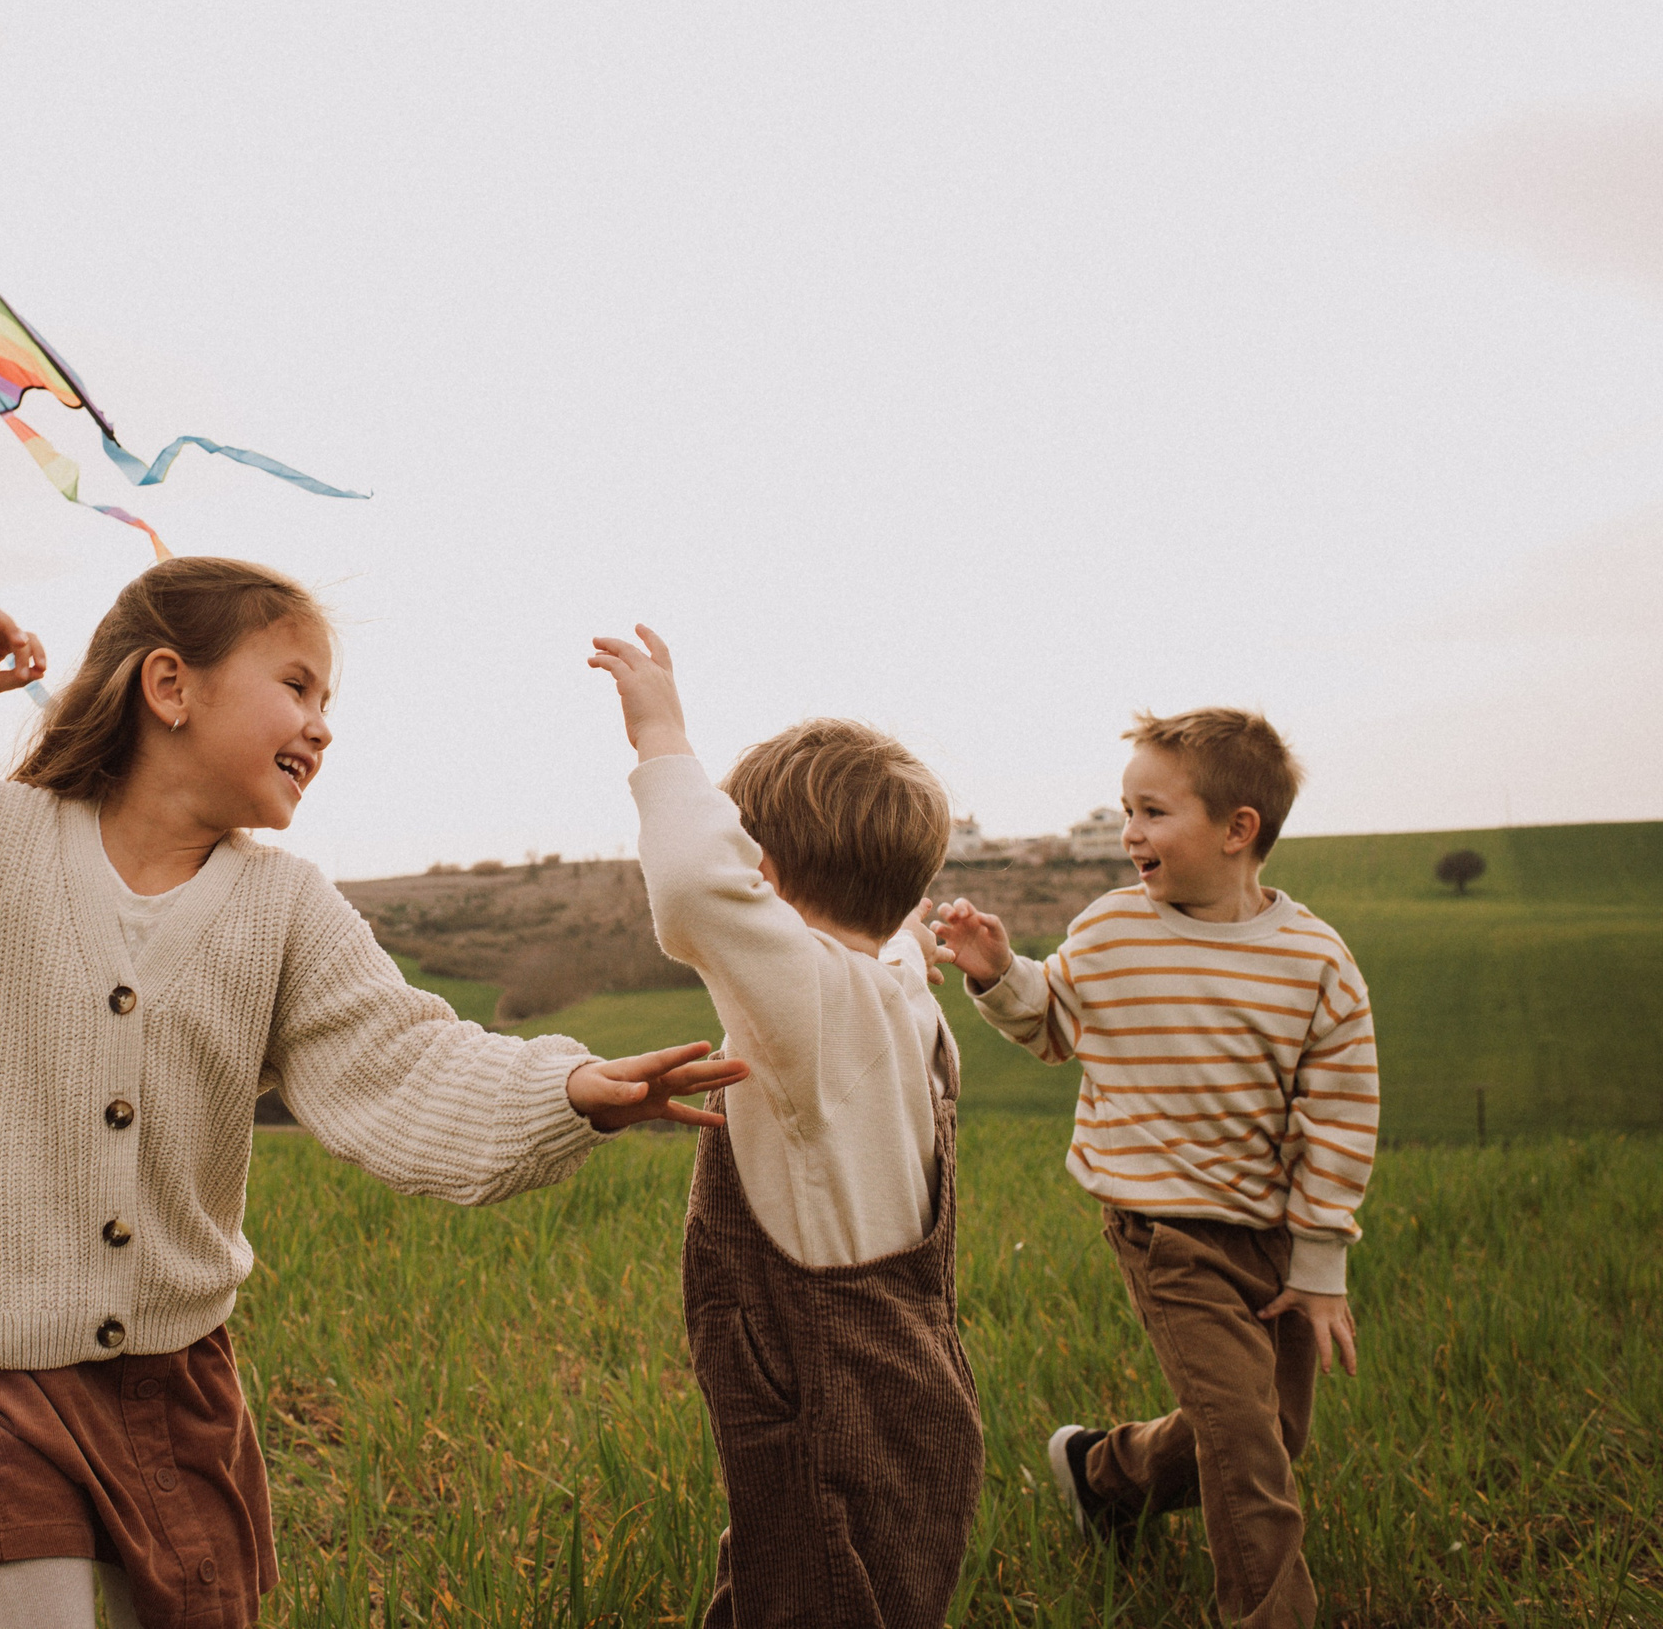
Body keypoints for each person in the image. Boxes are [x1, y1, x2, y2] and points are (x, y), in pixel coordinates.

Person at [0, 558, 744, 1629]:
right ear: (170, 686)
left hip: (177, 1381)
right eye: (297, 686)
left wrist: (568, 1086)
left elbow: (402, 1061)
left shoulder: (283, 908)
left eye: (327, 701)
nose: (322, 725)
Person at [933, 708, 1376, 1629]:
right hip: (1163, 1228)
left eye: (1152, 811)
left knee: (1273, 1432)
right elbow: (1052, 1023)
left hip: (1276, 1233)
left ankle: (1105, 1476)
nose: (1129, 832)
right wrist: (997, 969)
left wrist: (1322, 1262)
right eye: (1125, 810)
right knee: (1246, 1445)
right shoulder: (1112, 931)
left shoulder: (1316, 962)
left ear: (1237, 828)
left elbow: (1340, 1116)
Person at [587, 626, 982, 1629]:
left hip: (822, 1385)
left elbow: (691, 888)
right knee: (807, 1567)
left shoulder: (809, 1000)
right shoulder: (901, 994)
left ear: (761, 872)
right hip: (914, 1371)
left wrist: (662, 738)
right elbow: (885, 937)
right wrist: (905, 927)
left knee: (815, 1586)